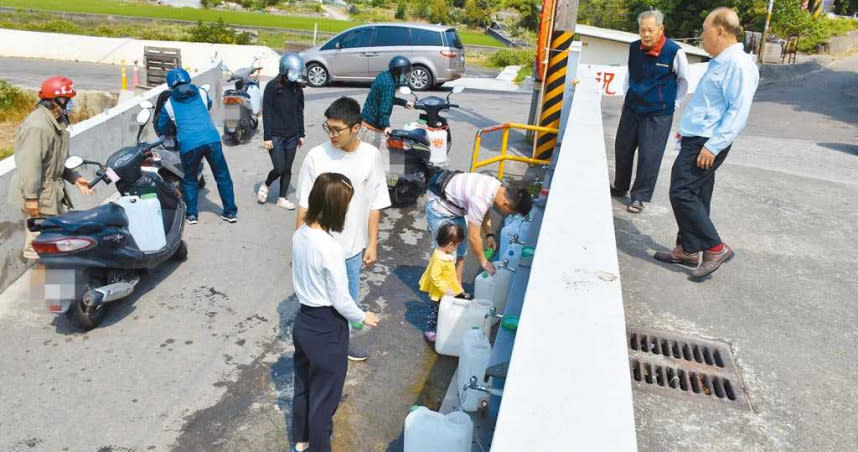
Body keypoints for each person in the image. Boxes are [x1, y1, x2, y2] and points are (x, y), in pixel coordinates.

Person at [654, 7, 759, 280]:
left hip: (708, 141)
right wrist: (687, 132)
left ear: (721, 30)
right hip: (698, 137)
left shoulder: (739, 65)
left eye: (705, 29)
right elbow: (710, 106)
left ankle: (715, 247)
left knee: (681, 192)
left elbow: (738, 111)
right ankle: (688, 249)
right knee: (697, 194)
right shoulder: (721, 61)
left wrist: (713, 146)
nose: (701, 35)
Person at [295, 97, 391, 362]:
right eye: (329, 128)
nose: (332, 135)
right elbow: (303, 206)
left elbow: (375, 204)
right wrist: (298, 246)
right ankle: (317, 348)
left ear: (356, 128)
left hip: (350, 249)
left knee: (347, 299)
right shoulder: (317, 156)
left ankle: (342, 345)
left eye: (338, 129)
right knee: (317, 303)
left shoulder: (370, 157)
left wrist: (372, 243)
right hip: (317, 247)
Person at [290, 172, 380, 452]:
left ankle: (301, 440)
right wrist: (363, 316)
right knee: (324, 399)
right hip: (327, 328)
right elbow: (341, 299)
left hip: (303, 322)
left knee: (304, 386)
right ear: (334, 207)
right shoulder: (330, 248)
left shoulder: (300, 234)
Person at [611, 9, 689, 214]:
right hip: (632, 107)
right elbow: (630, 75)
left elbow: (683, 81)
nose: (645, 34)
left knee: (649, 155)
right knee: (623, 148)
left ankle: (639, 197)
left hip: (658, 113)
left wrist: (674, 104)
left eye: (650, 30)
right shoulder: (634, 48)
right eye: (642, 29)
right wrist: (625, 97)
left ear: (661, 29)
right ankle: (620, 186)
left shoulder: (674, 51)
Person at [8, 76, 93, 259]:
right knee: (42, 248)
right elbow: (30, 164)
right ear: (56, 101)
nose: (70, 104)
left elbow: (56, 160)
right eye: (68, 100)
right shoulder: (38, 126)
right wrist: (31, 198)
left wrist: (75, 179)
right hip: (39, 193)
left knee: (52, 244)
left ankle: (52, 283)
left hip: (49, 192)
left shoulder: (55, 122)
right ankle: (44, 285)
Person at [157, 67, 238, 224]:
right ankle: (230, 212)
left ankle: (192, 214)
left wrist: (171, 132)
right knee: (222, 176)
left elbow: (162, 126)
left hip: (189, 144)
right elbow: (208, 105)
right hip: (211, 139)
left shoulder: (168, 104)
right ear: (188, 81)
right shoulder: (201, 92)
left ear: (171, 87)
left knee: (190, 179)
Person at [426, 171, 533, 284]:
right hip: (439, 206)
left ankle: (457, 289)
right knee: (446, 254)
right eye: (511, 213)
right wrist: (484, 262)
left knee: (460, 251)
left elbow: (485, 211)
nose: (508, 215)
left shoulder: (497, 187)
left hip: (455, 206)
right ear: (506, 204)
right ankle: (441, 292)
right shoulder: (480, 200)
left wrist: (489, 234)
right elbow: (473, 237)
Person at [257, 52, 306, 209]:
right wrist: (267, 137)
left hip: (292, 135)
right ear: (284, 70)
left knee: (288, 169)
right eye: (293, 72)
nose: (296, 76)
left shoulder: (298, 89)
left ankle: (282, 198)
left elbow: (299, 111)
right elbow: (267, 111)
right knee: (279, 167)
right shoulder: (272, 87)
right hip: (276, 135)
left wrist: (302, 134)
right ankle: (266, 184)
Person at [359, 55, 414, 174]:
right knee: (386, 167)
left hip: (364, 126)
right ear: (398, 72)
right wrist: (386, 126)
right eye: (405, 73)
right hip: (373, 131)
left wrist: (404, 103)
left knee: (366, 163)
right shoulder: (389, 85)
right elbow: (384, 108)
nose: (406, 77)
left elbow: (386, 99)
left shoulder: (384, 76)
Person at [418, 222, 471, 343]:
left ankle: (441, 325)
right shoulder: (440, 258)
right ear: (451, 245)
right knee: (434, 313)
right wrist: (445, 289)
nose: (456, 248)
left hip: (446, 285)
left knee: (442, 309)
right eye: (457, 245)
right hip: (438, 292)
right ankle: (429, 331)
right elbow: (434, 276)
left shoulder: (444, 252)